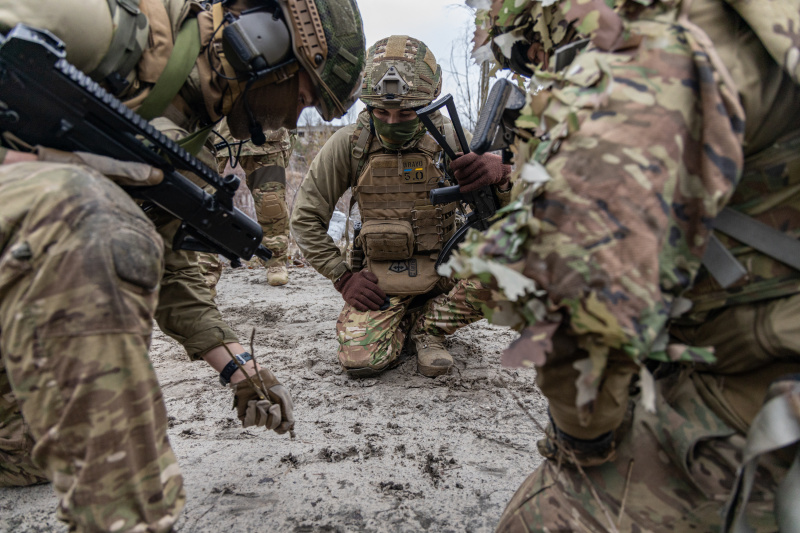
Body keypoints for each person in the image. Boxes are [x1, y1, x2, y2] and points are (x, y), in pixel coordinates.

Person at [0, 0, 365, 531]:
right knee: (88, 211)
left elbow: (172, 272)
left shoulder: (191, 135)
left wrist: (241, 368)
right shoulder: (104, 27)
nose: (291, 120)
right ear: (265, 43)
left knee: (26, 451)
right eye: (303, 98)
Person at [447, 0, 800, 531]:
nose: (538, 70)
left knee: (541, 517)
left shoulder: (646, 54)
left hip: (760, 385)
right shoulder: (755, 21)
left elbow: (577, 300)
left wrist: (582, 438)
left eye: (530, 56)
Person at [290, 35, 513, 378]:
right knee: (361, 360)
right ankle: (406, 317)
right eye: (381, 112)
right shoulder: (350, 144)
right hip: (382, 280)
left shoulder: (453, 139)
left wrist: (502, 177)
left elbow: (506, 218)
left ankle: (429, 328)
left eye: (406, 113)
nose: (392, 122)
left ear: (430, 101)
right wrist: (343, 277)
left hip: (448, 273)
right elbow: (305, 217)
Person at [202, 119, 296, 287]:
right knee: (201, 196)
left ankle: (274, 259)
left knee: (271, 201)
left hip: (263, 125)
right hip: (211, 124)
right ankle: (204, 268)